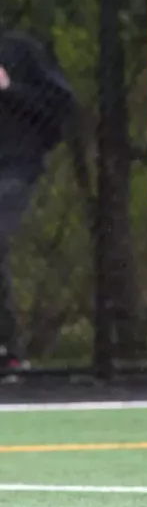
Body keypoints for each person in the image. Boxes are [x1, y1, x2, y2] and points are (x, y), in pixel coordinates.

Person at [0, 28, 75, 371]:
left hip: (15, 166)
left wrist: (9, 90)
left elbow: (61, 106)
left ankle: (9, 353)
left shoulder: (21, 50)